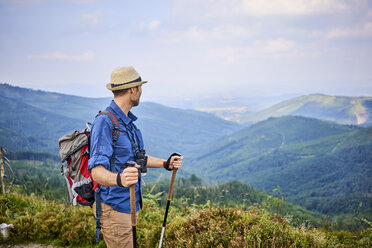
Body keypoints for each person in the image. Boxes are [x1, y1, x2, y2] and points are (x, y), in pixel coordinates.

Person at [88, 66, 183, 248]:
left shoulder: (127, 122)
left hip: (129, 206)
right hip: (114, 208)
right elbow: (96, 171)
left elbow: (138, 159)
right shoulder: (105, 122)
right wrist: (119, 179)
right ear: (133, 89)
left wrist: (166, 163)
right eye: (140, 87)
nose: (141, 92)